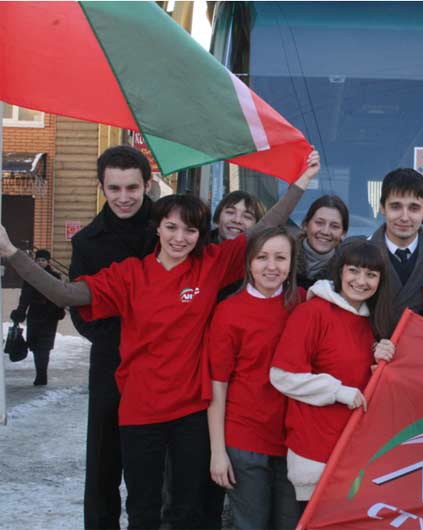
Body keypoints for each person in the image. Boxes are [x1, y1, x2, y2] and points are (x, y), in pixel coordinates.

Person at [0, 151, 319, 529]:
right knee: (143, 511)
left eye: (190, 231)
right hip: (141, 411)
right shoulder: (129, 275)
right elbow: (65, 294)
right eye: (171, 228)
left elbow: (264, 227)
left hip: (191, 413)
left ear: (200, 235)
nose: (180, 238)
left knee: (185, 510)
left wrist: (301, 181)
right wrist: (12, 253)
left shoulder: (211, 264)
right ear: (158, 230)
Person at [68, 145, 157, 530]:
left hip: (168, 363)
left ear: (147, 185)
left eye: (132, 188)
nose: (124, 197)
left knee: (156, 468)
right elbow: (81, 314)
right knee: (104, 465)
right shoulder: (87, 242)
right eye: (114, 188)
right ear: (101, 187)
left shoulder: (169, 226)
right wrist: (129, 338)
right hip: (112, 364)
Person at [270, 238, 395, 504]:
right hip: (315, 450)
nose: (361, 281)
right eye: (354, 271)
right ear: (339, 271)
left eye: (371, 275)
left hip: (355, 452)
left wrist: (382, 367)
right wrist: (338, 392)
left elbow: (370, 393)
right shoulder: (312, 312)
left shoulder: (374, 322)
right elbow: (282, 376)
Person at [206, 227, 304, 530]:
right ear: (249, 262)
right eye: (262, 257)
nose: (271, 266)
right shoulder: (229, 311)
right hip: (245, 439)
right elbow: (217, 385)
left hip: (294, 440)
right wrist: (217, 451)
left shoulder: (303, 303)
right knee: (251, 525)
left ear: (292, 263)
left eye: (280, 258)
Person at [369, 168, 423, 329]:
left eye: (414, 208)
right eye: (396, 206)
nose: (404, 217)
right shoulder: (360, 253)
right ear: (382, 208)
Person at [10, 249, 66, 386]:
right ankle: (40, 374)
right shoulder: (30, 277)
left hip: (49, 316)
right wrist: (20, 312)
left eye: (43, 260)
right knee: (35, 346)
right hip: (34, 315)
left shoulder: (54, 276)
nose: (40, 262)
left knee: (44, 346)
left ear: (48, 262)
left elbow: (60, 295)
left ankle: (42, 376)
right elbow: (25, 298)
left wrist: (59, 310)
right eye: (38, 260)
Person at [211, 190, 267, 301]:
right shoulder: (197, 249)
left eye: (247, 217)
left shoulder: (262, 262)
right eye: (230, 212)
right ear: (218, 217)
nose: (237, 220)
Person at [296, 195, 349, 289]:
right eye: (319, 223)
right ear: (305, 225)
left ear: (343, 234)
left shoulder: (346, 271)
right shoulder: (284, 257)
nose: (325, 232)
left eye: (334, 226)